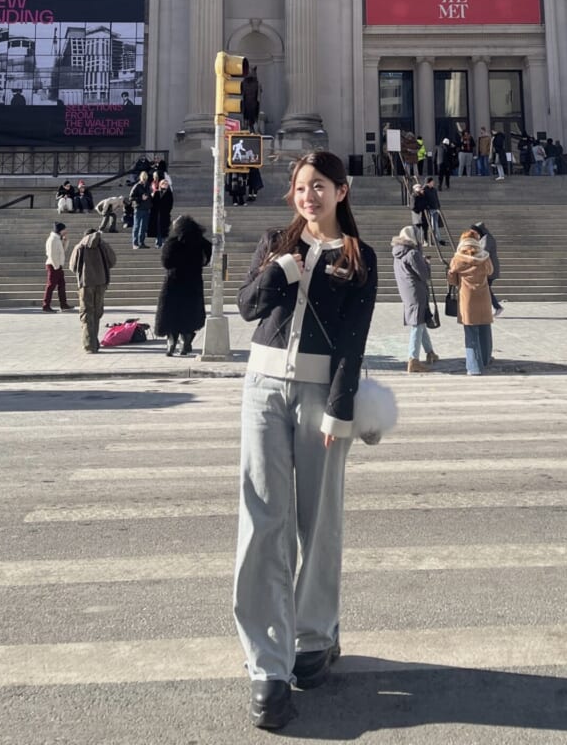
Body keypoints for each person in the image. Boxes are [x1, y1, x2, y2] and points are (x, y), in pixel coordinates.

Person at [233, 151, 377, 731]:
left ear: (342, 191)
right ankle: (267, 665)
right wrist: (281, 272)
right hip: (263, 389)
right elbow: (246, 306)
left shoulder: (359, 257)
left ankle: (313, 637)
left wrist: (340, 414)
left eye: (319, 186)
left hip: (321, 397)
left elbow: (353, 343)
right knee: (261, 522)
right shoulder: (275, 242)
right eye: (300, 187)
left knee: (318, 524)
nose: (308, 196)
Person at [154, 215, 212, 357]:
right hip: (193, 281)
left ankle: (172, 341)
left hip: (174, 281)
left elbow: (166, 262)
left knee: (171, 312)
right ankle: (186, 339)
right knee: (189, 312)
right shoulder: (201, 242)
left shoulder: (173, 243)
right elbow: (207, 258)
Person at [392, 225, 439, 373]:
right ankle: (413, 359)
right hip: (416, 291)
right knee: (417, 324)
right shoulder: (412, 253)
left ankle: (430, 352)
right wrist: (427, 263)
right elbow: (424, 275)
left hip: (407, 292)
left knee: (420, 322)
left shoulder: (398, 253)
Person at [447, 229, 494, 376]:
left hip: (467, 299)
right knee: (485, 329)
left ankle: (474, 367)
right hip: (483, 297)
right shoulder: (484, 257)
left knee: (471, 332)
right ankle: (485, 359)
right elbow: (490, 272)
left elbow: (453, 280)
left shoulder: (458, 258)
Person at [69, 228, 117, 353]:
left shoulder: (80, 246)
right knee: (97, 312)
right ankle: (93, 341)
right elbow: (112, 261)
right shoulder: (103, 245)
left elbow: (73, 267)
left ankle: (90, 345)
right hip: (101, 282)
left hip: (86, 283)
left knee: (86, 313)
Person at [470, 220, 502, 316]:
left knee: (485, 289)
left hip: (489, 268)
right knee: (485, 289)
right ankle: (493, 307)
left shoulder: (487, 238)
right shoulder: (484, 238)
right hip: (488, 267)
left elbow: (483, 251)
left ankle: (496, 307)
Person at [42, 222, 72, 313]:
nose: (66, 231)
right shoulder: (53, 239)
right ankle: (46, 305)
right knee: (51, 285)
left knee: (61, 285)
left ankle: (64, 304)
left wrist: (65, 241)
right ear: (60, 230)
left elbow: (62, 251)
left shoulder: (57, 239)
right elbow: (52, 254)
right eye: (64, 229)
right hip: (53, 265)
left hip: (57, 265)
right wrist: (56, 266)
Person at [148, 177, 174, 248]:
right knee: (157, 228)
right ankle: (158, 242)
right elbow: (153, 202)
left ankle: (163, 242)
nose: (165, 185)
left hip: (165, 213)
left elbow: (170, 204)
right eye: (163, 183)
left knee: (164, 228)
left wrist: (167, 210)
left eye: (166, 184)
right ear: (160, 185)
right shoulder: (156, 193)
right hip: (156, 213)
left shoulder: (169, 193)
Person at [128, 170, 152, 249]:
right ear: (140, 177)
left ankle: (141, 242)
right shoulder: (137, 186)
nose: (144, 179)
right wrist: (140, 198)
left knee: (143, 227)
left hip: (146, 209)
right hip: (139, 208)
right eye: (143, 177)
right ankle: (135, 243)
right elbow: (131, 198)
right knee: (137, 226)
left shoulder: (148, 186)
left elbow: (149, 196)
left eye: (145, 177)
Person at [423, 177, 443, 244]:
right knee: (432, 225)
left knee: (435, 224)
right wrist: (427, 207)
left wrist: (438, 206)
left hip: (435, 208)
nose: (433, 183)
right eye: (432, 182)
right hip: (430, 209)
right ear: (428, 182)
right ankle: (435, 239)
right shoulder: (424, 190)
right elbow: (424, 199)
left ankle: (438, 239)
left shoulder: (434, 189)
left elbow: (436, 198)